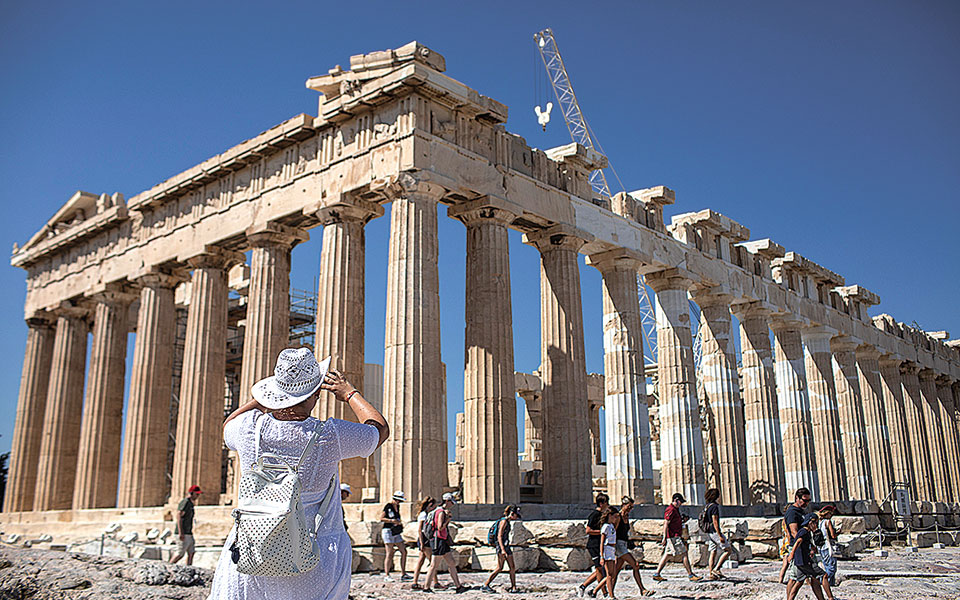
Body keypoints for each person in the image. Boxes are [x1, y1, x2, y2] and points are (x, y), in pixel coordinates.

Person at [207, 348, 389, 600]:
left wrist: (263, 400)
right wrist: (349, 393)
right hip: (313, 557)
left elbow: (228, 424)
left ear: (275, 393)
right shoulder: (329, 435)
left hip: (251, 551)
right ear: (316, 394)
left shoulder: (247, 428)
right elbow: (378, 430)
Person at [424, 492, 468, 593]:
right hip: (438, 540)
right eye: (451, 503)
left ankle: (458, 586)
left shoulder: (437, 511)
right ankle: (426, 587)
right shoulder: (440, 512)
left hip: (442, 541)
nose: (452, 505)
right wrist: (448, 520)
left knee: (451, 562)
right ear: (447, 501)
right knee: (434, 565)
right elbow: (440, 527)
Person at [653, 493, 701, 583]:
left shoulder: (675, 509)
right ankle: (690, 575)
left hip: (674, 536)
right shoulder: (670, 509)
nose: (681, 504)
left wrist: (682, 520)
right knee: (684, 554)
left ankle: (657, 574)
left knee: (667, 555)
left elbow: (674, 522)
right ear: (676, 500)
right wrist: (664, 538)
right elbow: (666, 523)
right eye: (680, 502)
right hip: (673, 537)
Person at [614, 497, 654, 596]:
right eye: (629, 506)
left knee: (615, 571)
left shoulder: (626, 517)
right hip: (618, 545)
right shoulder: (618, 517)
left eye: (632, 507)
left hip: (624, 544)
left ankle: (603, 591)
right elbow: (613, 532)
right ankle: (642, 590)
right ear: (623, 505)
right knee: (635, 565)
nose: (630, 509)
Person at [784, 514, 827, 600]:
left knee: (799, 582)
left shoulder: (805, 531)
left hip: (801, 560)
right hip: (804, 561)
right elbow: (798, 541)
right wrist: (792, 554)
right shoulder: (804, 531)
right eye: (815, 522)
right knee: (823, 575)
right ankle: (830, 597)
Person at [481, 505, 522, 594]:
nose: (517, 518)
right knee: (499, 567)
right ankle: (486, 584)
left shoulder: (508, 522)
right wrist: (503, 550)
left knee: (512, 567)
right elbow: (499, 536)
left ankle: (514, 587)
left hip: (506, 546)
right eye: (516, 515)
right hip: (502, 547)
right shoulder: (503, 521)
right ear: (512, 513)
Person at [576, 493, 610, 597]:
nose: (608, 505)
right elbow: (588, 530)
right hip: (594, 545)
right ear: (601, 503)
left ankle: (583, 586)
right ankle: (604, 592)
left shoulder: (604, 515)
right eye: (606, 503)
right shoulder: (594, 515)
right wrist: (601, 532)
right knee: (600, 569)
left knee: (601, 569)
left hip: (600, 544)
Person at [779, 487, 812, 580]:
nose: (807, 503)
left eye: (808, 500)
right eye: (805, 500)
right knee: (795, 577)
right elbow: (794, 532)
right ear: (797, 498)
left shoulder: (801, 511)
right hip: (797, 546)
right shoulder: (792, 512)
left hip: (804, 546)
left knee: (809, 574)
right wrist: (794, 550)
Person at [701, 488, 733, 580]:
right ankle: (717, 569)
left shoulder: (707, 506)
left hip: (709, 532)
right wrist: (720, 535)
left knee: (713, 552)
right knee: (728, 550)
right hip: (715, 532)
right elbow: (715, 522)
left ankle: (711, 574)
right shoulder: (714, 507)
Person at [591, 507, 621, 599]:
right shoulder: (605, 527)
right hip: (607, 550)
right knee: (609, 575)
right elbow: (602, 542)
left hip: (612, 550)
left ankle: (595, 590)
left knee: (612, 574)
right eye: (614, 516)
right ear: (609, 516)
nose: (615, 518)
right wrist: (601, 556)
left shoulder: (611, 526)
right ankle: (610, 595)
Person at [381, 490, 409, 581]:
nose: (399, 502)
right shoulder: (388, 506)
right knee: (389, 553)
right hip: (388, 531)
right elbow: (381, 518)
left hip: (396, 532)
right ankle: (387, 575)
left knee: (403, 551)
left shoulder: (398, 507)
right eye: (398, 500)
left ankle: (403, 573)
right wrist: (392, 521)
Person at [169, 485, 201, 565]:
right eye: (196, 494)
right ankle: (168, 566)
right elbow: (179, 515)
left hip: (188, 532)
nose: (198, 496)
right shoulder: (185, 502)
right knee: (180, 553)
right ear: (192, 493)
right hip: (183, 533)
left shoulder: (191, 504)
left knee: (191, 552)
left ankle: (189, 569)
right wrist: (180, 532)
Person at [412, 497, 438, 590]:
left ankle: (415, 582)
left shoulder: (427, 514)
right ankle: (436, 582)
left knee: (421, 561)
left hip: (425, 538)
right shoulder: (423, 515)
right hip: (424, 539)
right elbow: (420, 529)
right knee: (432, 561)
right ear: (430, 505)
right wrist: (422, 543)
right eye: (434, 506)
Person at [815, 506, 838, 600]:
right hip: (828, 547)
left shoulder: (819, 523)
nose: (831, 515)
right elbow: (832, 535)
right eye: (830, 513)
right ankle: (823, 582)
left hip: (821, 548)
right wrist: (838, 532)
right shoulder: (827, 522)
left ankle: (831, 585)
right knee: (832, 568)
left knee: (826, 565)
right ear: (827, 513)